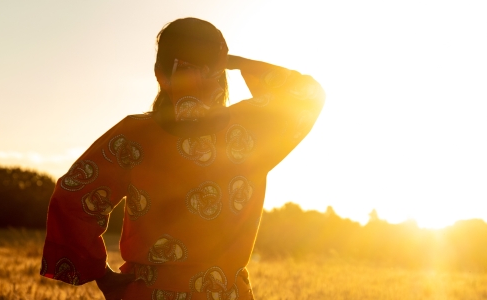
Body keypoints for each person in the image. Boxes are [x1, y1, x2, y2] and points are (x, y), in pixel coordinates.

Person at [40, 17, 325, 300]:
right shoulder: (249, 130)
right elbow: (307, 95)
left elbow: (72, 195)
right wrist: (234, 62)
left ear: (158, 73)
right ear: (220, 72)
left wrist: (101, 275)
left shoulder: (135, 135)